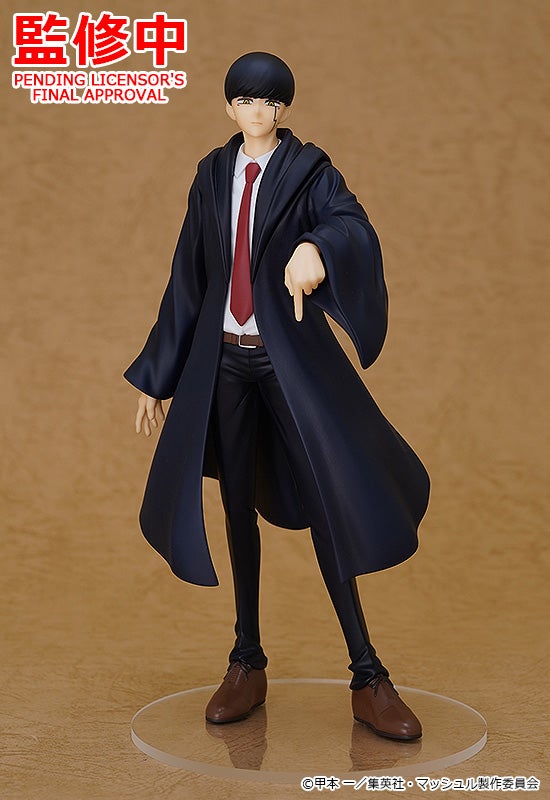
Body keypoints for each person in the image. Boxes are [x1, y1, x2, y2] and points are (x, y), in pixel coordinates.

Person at [124, 52, 430, 741]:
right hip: (224, 363)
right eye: (244, 100)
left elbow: (353, 224)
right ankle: (247, 660)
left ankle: (368, 674)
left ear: (283, 108)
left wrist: (319, 246)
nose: (257, 112)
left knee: (329, 501)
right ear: (228, 107)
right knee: (236, 506)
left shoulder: (309, 170)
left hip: (285, 359)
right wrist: (156, 373)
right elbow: (188, 275)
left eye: (268, 101)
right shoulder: (211, 174)